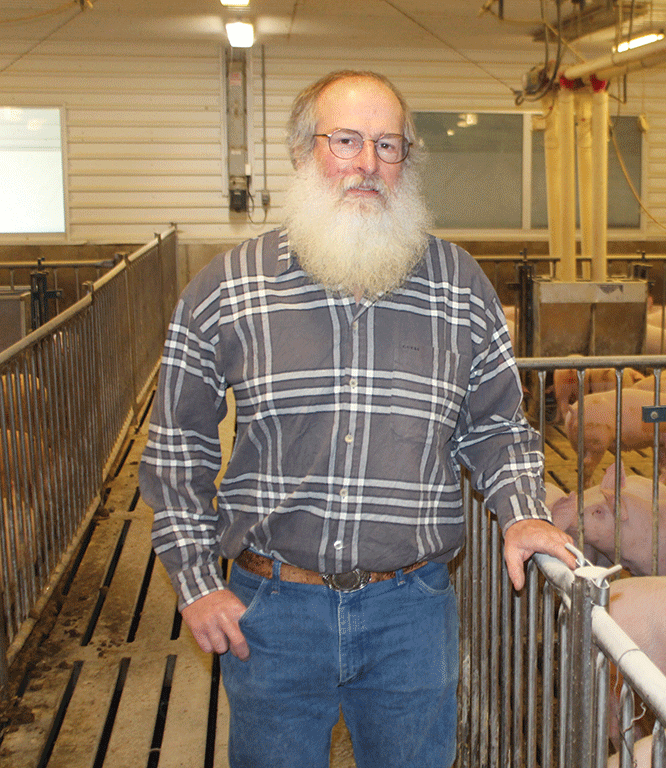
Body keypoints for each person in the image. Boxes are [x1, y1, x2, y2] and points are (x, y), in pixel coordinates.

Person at [140, 70, 577, 768]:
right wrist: (196, 582)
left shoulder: (458, 285)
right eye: (345, 140)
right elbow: (178, 449)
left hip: (410, 609)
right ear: (303, 151)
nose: (367, 163)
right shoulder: (228, 287)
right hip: (271, 610)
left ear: (408, 159)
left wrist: (522, 510)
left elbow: (496, 426)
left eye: (387, 144)